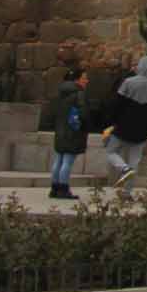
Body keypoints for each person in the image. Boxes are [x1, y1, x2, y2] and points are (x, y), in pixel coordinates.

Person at [104, 55, 147, 188]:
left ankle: (123, 168)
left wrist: (113, 121)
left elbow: (117, 104)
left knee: (111, 152)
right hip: (142, 128)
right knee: (134, 160)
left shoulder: (128, 82)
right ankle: (127, 192)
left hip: (123, 125)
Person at [49, 67, 89, 199]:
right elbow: (83, 114)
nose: (87, 81)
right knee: (68, 161)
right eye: (84, 78)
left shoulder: (61, 92)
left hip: (60, 129)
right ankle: (64, 189)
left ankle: (54, 188)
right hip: (73, 130)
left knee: (59, 159)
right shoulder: (79, 93)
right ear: (77, 79)